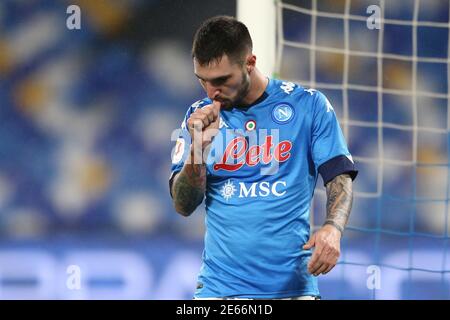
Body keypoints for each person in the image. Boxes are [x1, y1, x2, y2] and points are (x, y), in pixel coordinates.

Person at [169, 15, 357, 299]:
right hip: (220, 290)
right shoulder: (197, 118)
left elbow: (338, 176)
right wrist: (197, 150)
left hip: (293, 290)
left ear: (250, 62)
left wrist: (333, 228)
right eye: (203, 81)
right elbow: (183, 206)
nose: (212, 92)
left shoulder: (308, 106)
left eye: (221, 80)